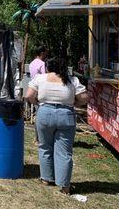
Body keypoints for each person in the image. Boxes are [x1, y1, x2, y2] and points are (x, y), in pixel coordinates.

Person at [25, 58, 88, 194]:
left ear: (47, 68)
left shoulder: (40, 78)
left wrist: (38, 103)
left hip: (45, 113)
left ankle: (46, 178)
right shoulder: (72, 80)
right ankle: (64, 185)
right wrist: (73, 104)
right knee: (64, 152)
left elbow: (29, 95)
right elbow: (84, 98)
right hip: (66, 115)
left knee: (45, 147)